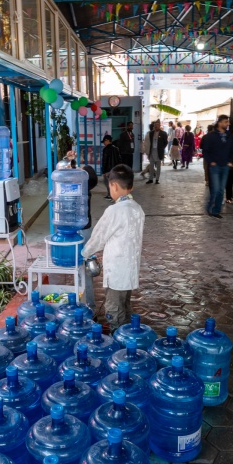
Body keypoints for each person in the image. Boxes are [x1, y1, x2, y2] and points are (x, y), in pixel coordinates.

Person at [81, 163, 145, 329]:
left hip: (117, 272)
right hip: (130, 271)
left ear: (114, 186)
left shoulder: (114, 211)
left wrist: (84, 253)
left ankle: (120, 345)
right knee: (125, 306)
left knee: (113, 311)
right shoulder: (138, 209)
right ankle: (130, 335)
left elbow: (98, 237)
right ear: (131, 186)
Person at [201, 115, 233, 219]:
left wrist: (230, 160)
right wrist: (211, 161)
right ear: (219, 123)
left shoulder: (229, 135)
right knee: (215, 189)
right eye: (225, 122)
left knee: (221, 189)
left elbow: (231, 149)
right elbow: (205, 150)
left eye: (227, 122)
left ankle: (216, 211)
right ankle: (209, 208)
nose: (227, 124)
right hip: (215, 166)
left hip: (225, 166)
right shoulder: (211, 136)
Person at [101, 133, 119, 200]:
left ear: (107, 140)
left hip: (108, 170)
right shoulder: (116, 148)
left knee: (107, 183)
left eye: (104, 141)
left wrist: (104, 171)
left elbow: (105, 161)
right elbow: (119, 160)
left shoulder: (106, 149)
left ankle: (111, 196)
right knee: (113, 183)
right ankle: (111, 195)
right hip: (115, 169)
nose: (104, 143)